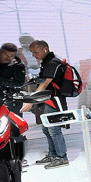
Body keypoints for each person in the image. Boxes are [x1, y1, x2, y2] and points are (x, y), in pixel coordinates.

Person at [21, 40, 69, 169]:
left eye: (35, 52)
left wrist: (31, 101)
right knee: (47, 129)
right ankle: (53, 155)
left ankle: (62, 158)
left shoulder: (52, 62)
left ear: (45, 49)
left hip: (54, 101)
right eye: (32, 53)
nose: (34, 55)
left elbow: (45, 84)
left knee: (54, 129)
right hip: (47, 101)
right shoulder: (47, 63)